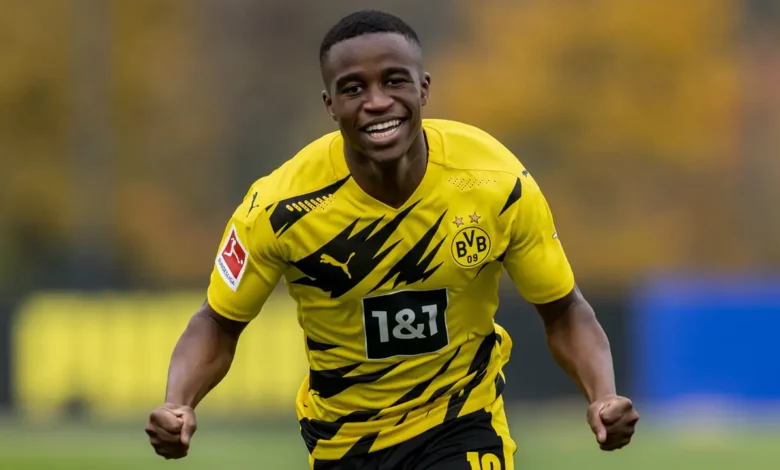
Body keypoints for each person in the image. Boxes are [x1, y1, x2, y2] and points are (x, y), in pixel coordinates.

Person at [145, 9, 638, 470]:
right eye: (353, 88)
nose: (377, 101)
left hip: (463, 421)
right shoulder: (278, 208)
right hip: (343, 441)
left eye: (394, 80)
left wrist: (602, 394)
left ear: (424, 89)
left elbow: (564, 310)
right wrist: (178, 403)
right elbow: (217, 322)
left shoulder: (496, 182)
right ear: (330, 105)